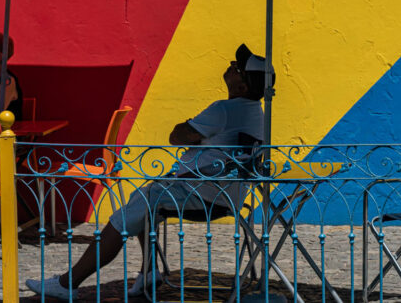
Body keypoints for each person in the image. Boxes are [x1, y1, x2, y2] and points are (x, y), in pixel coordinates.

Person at [26, 43, 267, 300]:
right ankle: (149, 271)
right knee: (145, 197)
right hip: (227, 195)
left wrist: (194, 135)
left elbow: (177, 135)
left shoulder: (224, 110)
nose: (231, 65)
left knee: (122, 218)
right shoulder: (257, 112)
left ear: (242, 86)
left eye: (237, 67)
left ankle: (68, 283)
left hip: (201, 194)